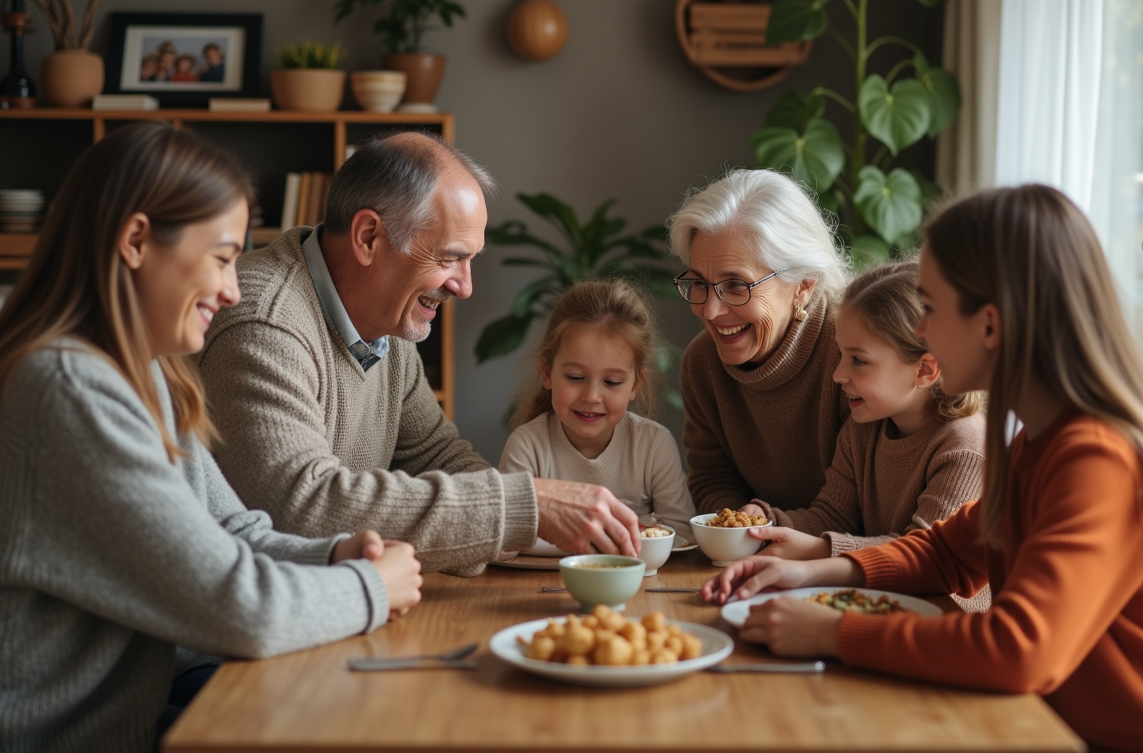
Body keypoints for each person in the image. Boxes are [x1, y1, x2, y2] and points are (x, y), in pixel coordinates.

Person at [702, 185, 1143, 752]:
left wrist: (837, 631)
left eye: (931, 309)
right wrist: (814, 571)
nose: (920, 332)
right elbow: (947, 553)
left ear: (989, 325)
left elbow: (1022, 651)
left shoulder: (1100, 456)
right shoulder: (1045, 442)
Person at [0, 122, 423, 753]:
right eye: (222, 258)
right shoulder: (69, 388)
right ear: (137, 241)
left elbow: (233, 533)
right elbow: (237, 608)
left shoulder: (137, 372)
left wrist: (333, 556)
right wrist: (369, 588)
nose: (231, 290)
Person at [197, 132, 640, 577]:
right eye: (450, 258)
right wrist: (528, 507)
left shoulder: (386, 323)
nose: (465, 286)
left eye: (471, 261)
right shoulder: (265, 321)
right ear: (368, 236)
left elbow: (435, 455)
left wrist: (529, 518)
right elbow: (300, 508)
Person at [747, 259, 985, 557]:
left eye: (858, 360)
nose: (838, 375)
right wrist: (763, 520)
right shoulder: (862, 431)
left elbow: (927, 556)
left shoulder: (966, 448)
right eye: (841, 355)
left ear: (925, 370)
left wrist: (821, 549)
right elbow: (830, 517)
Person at [667, 169, 851, 519]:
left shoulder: (852, 356)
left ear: (804, 284)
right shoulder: (703, 364)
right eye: (699, 283)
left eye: (736, 285)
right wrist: (739, 523)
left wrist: (765, 525)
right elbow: (711, 478)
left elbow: (859, 509)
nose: (709, 310)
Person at [500, 280, 697, 545]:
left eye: (612, 382)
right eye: (575, 377)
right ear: (547, 373)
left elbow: (681, 533)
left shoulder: (653, 445)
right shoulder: (527, 446)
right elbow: (506, 534)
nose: (591, 396)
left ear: (635, 384)